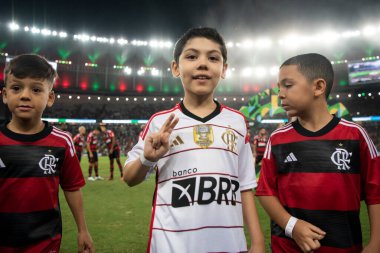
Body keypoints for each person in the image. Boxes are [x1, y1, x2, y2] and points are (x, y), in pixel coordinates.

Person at [123, 27, 265, 253]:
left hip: (229, 245)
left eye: (213, 58)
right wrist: (147, 159)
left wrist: (257, 242)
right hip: (171, 246)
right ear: (175, 68)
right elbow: (129, 178)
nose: (202, 63)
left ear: (224, 69)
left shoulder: (237, 122)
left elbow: (245, 185)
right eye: (191, 56)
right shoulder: (160, 123)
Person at [256, 53, 380, 253]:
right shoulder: (277, 139)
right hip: (287, 248)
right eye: (279, 87)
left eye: (287, 85)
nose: (280, 94)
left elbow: (376, 192)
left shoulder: (355, 135)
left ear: (318, 87)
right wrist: (292, 226)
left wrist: (376, 243)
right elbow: (265, 191)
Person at [0, 54, 94, 252]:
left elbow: (72, 188)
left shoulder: (62, 141)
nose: (25, 95)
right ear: (5, 94)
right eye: (16, 88)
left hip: (45, 242)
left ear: (50, 97)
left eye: (36, 89)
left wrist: (82, 230)